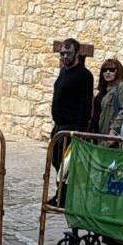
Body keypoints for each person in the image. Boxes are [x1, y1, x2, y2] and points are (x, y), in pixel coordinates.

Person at [50, 38, 93, 172]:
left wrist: (78, 133)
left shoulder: (84, 75)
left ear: (77, 52)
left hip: (71, 127)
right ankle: (60, 192)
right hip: (59, 126)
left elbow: (85, 105)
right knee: (56, 161)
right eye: (62, 53)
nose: (65, 56)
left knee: (67, 165)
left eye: (68, 53)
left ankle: (64, 192)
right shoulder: (63, 71)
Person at [94, 58, 123, 135]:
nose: (108, 72)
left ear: (118, 71)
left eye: (111, 69)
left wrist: (114, 130)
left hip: (113, 137)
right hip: (99, 135)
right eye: (105, 70)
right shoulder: (103, 91)